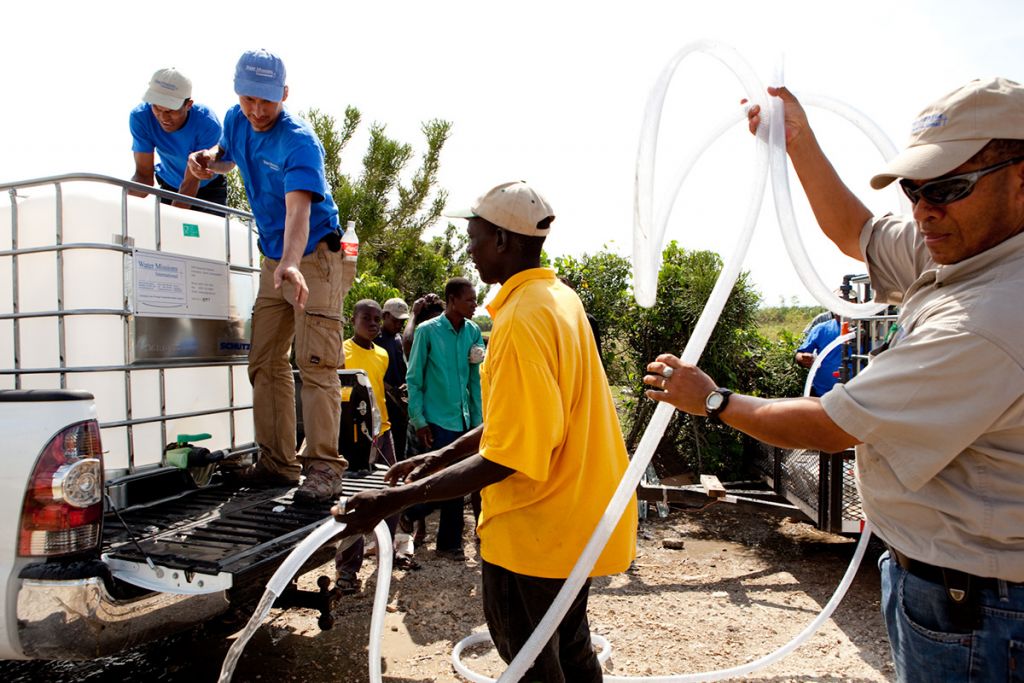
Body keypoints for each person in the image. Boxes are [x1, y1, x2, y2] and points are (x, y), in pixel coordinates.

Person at [647, 78, 1024, 681]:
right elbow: (859, 233)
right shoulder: (970, 246)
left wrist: (713, 398)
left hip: (983, 608)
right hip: (950, 585)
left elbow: (830, 424)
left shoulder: (992, 317)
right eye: (914, 189)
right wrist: (798, 141)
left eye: (949, 188)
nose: (924, 211)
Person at [335, 180, 636, 681]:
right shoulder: (560, 300)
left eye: (474, 238)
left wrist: (395, 500)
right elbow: (520, 421)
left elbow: (511, 453)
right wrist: (436, 457)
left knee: (531, 661)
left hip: (536, 530)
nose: (469, 250)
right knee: (572, 647)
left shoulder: (521, 319)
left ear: (503, 240)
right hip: (576, 522)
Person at [188, 49, 356, 505]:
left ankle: (324, 468)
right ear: (237, 94)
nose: (258, 111)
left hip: (313, 259)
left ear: (284, 94)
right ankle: (278, 462)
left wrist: (293, 262)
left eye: (267, 101)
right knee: (263, 360)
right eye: (248, 99)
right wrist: (208, 159)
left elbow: (299, 210)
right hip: (273, 263)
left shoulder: (299, 141)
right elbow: (227, 156)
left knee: (317, 363)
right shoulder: (236, 120)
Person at [334, 300, 416, 592]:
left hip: (383, 433)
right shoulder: (341, 351)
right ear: (352, 320)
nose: (372, 324)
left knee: (393, 495)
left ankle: (386, 550)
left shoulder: (382, 353)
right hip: (353, 437)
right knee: (353, 503)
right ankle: (347, 570)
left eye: (375, 320)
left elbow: (382, 393)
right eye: (365, 318)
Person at [402, 277, 484, 559]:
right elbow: (414, 379)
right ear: (452, 300)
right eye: (470, 299)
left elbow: (475, 379)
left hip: (463, 421)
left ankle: (449, 545)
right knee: (438, 480)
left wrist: (477, 421)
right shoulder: (427, 331)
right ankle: (409, 509)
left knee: (458, 482)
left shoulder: (473, 332)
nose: (475, 304)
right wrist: (419, 420)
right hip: (435, 420)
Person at [129, 68, 226, 212]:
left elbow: (189, 184)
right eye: (156, 108)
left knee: (183, 230)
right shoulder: (140, 117)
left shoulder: (207, 122)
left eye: (170, 111)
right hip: (170, 185)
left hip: (208, 189)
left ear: (188, 104)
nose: (163, 117)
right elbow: (144, 177)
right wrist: (122, 207)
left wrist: (172, 222)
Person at [376, 297, 411, 461]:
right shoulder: (374, 338)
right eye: (395, 320)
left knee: (400, 445)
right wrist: (389, 389)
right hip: (383, 403)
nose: (399, 325)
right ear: (385, 316)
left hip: (400, 402)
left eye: (402, 321)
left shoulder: (398, 339)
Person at [794, 313, 842, 396]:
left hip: (858, 396)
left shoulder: (868, 329)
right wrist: (803, 359)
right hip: (822, 394)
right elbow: (800, 354)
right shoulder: (821, 329)